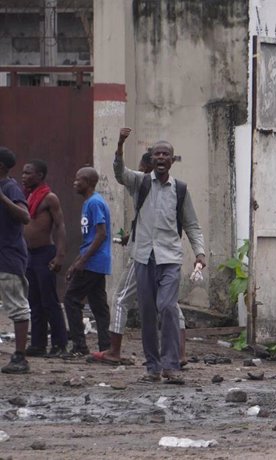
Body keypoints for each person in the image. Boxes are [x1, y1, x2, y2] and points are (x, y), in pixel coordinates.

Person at [114, 130, 205, 384]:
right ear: (152, 159)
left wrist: (200, 252)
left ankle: (171, 366)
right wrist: (120, 144)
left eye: (166, 154)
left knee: (167, 307)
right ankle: (153, 368)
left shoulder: (181, 190)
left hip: (170, 259)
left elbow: (192, 225)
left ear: (173, 160)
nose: (162, 157)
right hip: (143, 257)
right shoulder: (140, 183)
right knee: (146, 313)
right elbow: (119, 173)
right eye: (157, 154)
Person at [88, 142, 188, 366]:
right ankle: (177, 355)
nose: (143, 173)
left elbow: (185, 224)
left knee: (122, 299)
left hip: (147, 256)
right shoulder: (145, 187)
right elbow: (148, 221)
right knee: (169, 305)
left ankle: (115, 350)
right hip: (153, 252)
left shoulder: (164, 187)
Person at [21, 160, 69, 358]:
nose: (23, 176)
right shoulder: (25, 197)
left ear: (39, 175)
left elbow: (60, 226)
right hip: (28, 255)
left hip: (44, 253)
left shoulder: (49, 198)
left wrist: (60, 255)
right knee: (34, 301)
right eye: (23, 173)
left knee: (49, 300)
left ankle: (59, 344)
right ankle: (38, 344)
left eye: (28, 173)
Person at [63, 167, 112, 356]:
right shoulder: (89, 203)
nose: (75, 182)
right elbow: (89, 238)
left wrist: (83, 261)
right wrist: (76, 262)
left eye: (79, 179)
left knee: (71, 299)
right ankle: (106, 347)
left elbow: (101, 234)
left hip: (94, 262)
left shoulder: (94, 203)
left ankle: (79, 346)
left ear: (89, 182)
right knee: (99, 305)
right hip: (94, 261)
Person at [0, 147, 32, 374]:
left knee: (18, 308)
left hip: (8, 258)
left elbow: (25, 216)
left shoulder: (10, 187)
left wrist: (2, 197)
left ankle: (20, 357)